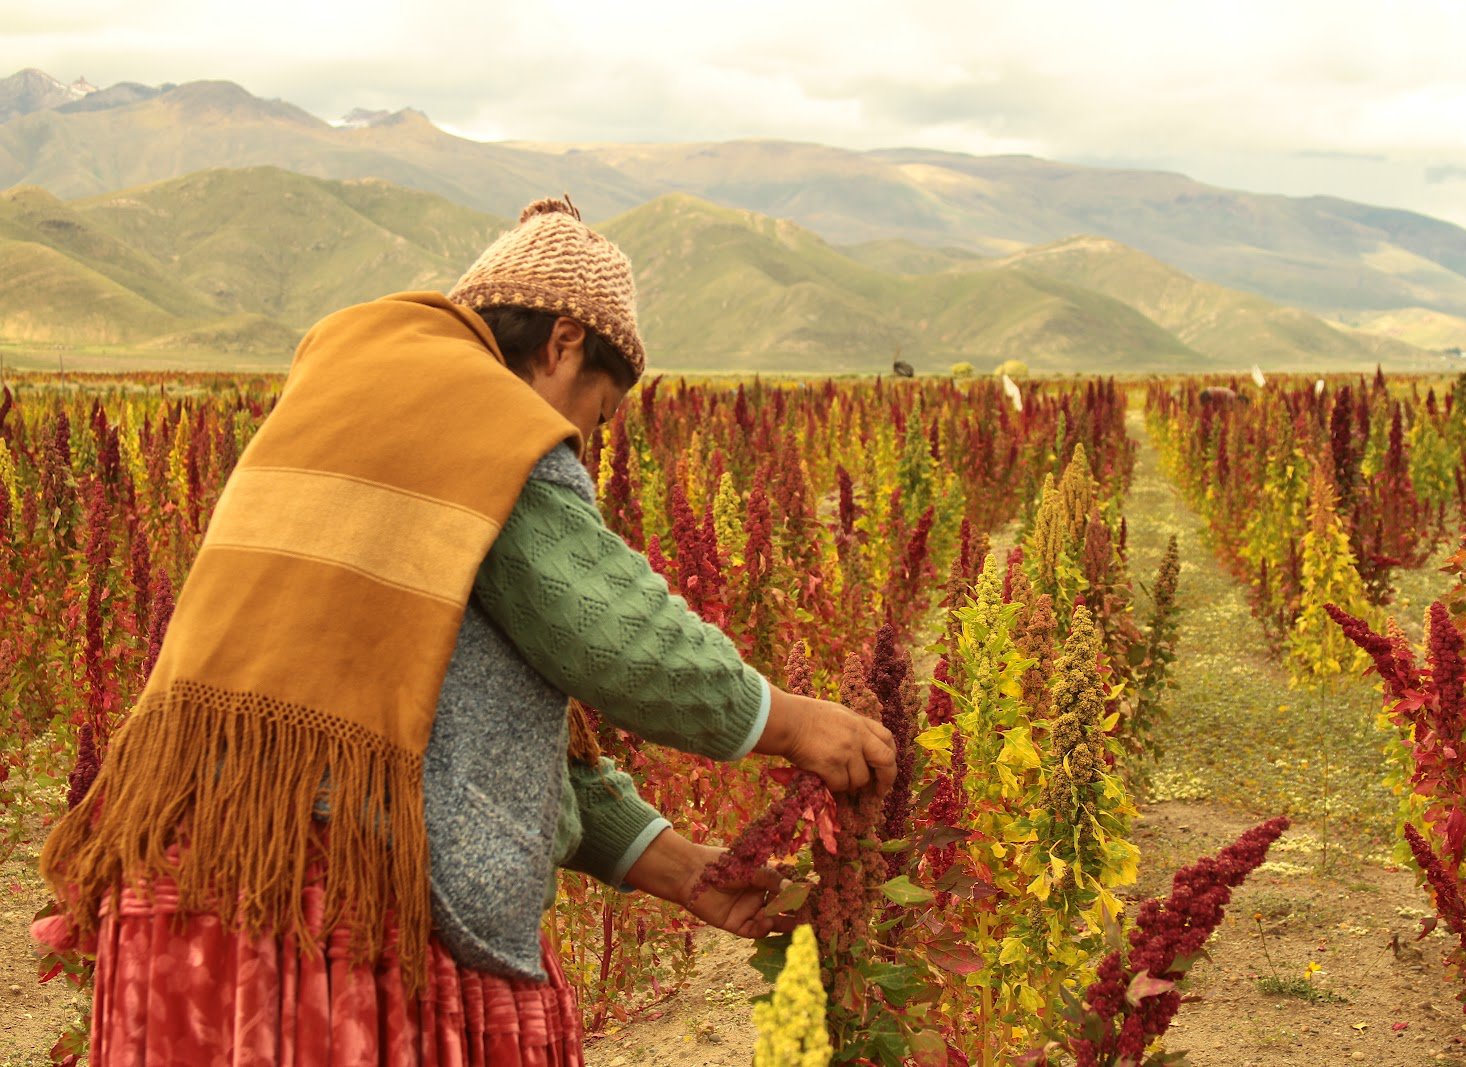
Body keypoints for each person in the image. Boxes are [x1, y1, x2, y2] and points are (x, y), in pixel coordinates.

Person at [34, 196, 897, 1066]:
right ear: (562, 344)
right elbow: (619, 636)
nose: (580, 444)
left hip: (193, 891)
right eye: (593, 414)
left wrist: (679, 869)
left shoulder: (352, 403)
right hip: (332, 912)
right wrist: (786, 719)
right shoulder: (483, 421)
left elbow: (474, 730)